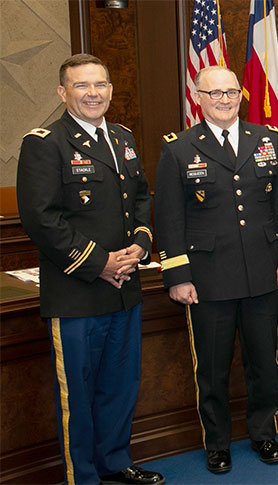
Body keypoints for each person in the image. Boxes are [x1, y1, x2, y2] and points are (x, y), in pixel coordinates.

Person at [16, 53, 164, 485]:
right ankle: (82, 477)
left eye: (100, 84)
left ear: (111, 90)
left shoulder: (122, 138)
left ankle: (114, 463)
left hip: (123, 287)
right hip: (77, 292)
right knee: (77, 395)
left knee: (119, 386)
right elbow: (41, 219)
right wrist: (100, 263)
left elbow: (139, 198)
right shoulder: (45, 143)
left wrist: (139, 245)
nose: (93, 93)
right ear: (63, 93)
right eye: (82, 86)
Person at [155, 65, 278, 473]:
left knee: (263, 364)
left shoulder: (267, 139)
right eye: (214, 93)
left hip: (262, 274)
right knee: (214, 369)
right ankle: (216, 443)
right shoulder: (179, 148)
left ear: (241, 95)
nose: (223, 99)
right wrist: (178, 276)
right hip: (207, 279)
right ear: (198, 97)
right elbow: (168, 219)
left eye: (231, 92)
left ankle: (263, 434)